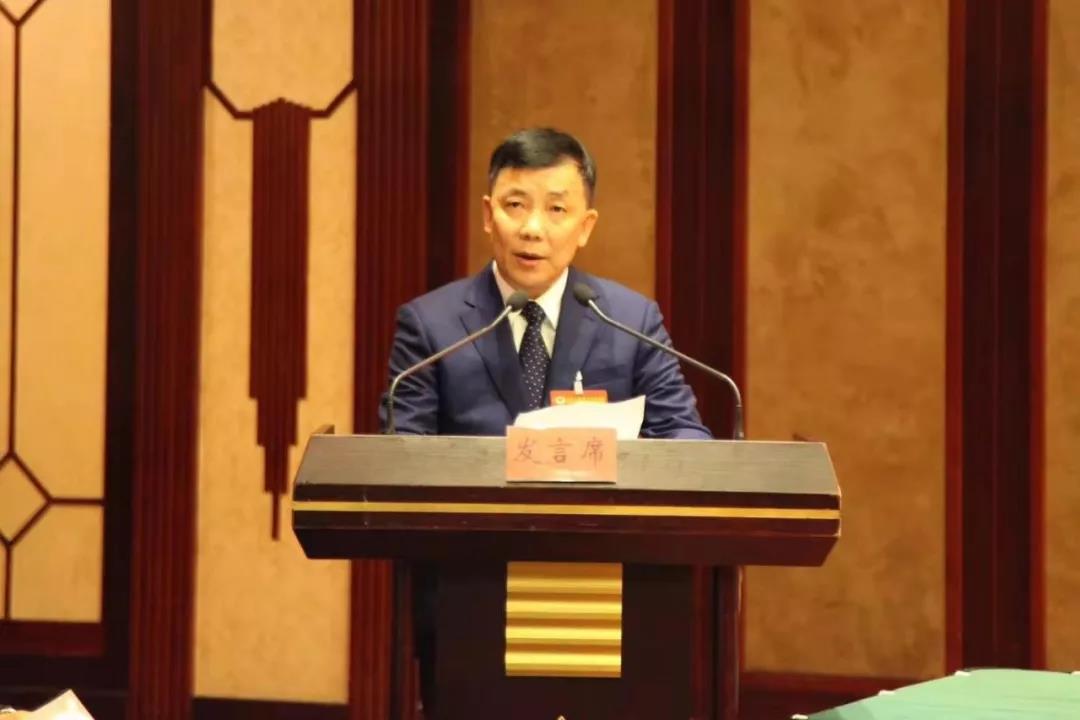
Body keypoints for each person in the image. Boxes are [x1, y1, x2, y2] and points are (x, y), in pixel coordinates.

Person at [380, 127, 710, 439]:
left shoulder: (631, 322)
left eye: (556, 209)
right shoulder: (430, 326)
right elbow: (402, 450)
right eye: (515, 205)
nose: (532, 229)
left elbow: (683, 433)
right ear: (488, 215)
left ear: (585, 227)